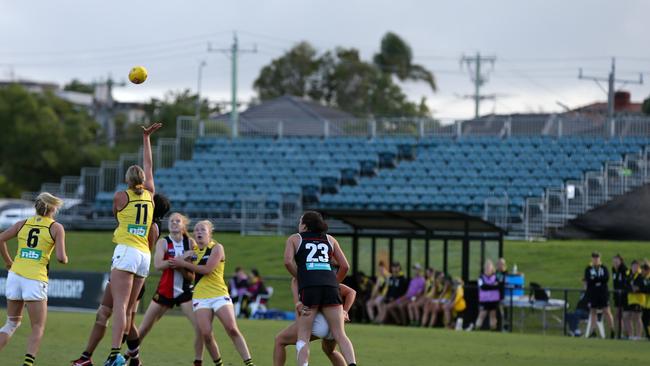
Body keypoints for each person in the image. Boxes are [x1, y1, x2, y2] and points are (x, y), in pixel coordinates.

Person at [104, 122, 162, 366]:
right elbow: (149, 166)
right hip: (143, 255)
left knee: (119, 307)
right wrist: (146, 138)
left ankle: (114, 354)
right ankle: (130, 357)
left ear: (127, 180)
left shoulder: (120, 196)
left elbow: (117, 217)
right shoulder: (150, 192)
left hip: (127, 250)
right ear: (143, 180)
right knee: (129, 310)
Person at [169, 220, 255, 366]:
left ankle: (249, 363)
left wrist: (183, 263)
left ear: (210, 233)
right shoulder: (192, 253)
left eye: (202, 229)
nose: (198, 232)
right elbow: (188, 275)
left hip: (219, 294)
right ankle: (219, 364)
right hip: (201, 297)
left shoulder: (217, 248)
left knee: (232, 329)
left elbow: (207, 270)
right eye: (196, 230)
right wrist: (182, 262)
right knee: (206, 334)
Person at [0, 192, 69, 366]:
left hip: (15, 276)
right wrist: (65, 259)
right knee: (37, 326)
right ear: (52, 208)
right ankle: (28, 364)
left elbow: (0, 239)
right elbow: (61, 258)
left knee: (11, 323)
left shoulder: (22, 224)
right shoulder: (55, 228)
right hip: (35, 279)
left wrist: (9, 261)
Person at [283, 211, 357, 366]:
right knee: (340, 334)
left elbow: (288, 262)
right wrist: (334, 283)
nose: (298, 224)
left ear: (304, 225)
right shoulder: (330, 239)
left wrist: (302, 277)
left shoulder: (295, 238)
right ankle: (352, 364)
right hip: (330, 286)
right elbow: (345, 266)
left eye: (300, 221)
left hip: (309, 287)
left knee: (303, 336)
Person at [136, 212, 203, 364]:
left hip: (185, 292)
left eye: (177, 221)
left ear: (183, 225)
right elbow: (158, 265)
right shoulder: (163, 242)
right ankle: (128, 357)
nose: (173, 223)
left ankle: (198, 361)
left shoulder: (191, 243)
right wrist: (180, 259)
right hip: (165, 290)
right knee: (144, 329)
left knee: (201, 328)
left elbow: (191, 276)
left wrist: (181, 266)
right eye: (171, 220)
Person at [273, 278, 356, 366]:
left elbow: (299, 311)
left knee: (280, 340)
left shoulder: (306, 281)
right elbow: (351, 292)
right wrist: (345, 311)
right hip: (335, 324)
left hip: (318, 323)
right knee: (330, 351)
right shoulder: (326, 281)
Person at [583, 252, 615, 339]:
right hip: (593, 293)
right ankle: (593, 331)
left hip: (603, 293)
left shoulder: (603, 268)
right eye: (594, 258)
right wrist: (597, 280)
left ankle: (612, 330)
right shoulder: (588, 268)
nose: (595, 260)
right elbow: (588, 279)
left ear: (600, 259)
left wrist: (595, 280)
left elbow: (606, 278)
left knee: (606, 311)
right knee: (593, 311)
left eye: (597, 258)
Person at [473, 260, 500, 331]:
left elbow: (497, 286)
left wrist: (488, 286)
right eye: (487, 267)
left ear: (492, 268)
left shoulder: (495, 277)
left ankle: (493, 329)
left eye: (489, 267)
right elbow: (482, 287)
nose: (488, 269)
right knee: (482, 315)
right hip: (484, 299)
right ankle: (477, 328)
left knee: (493, 315)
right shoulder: (481, 277)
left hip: (494, 299)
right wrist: (491, 286)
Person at [625, 260, 645, 340]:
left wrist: (633, 288)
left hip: (638, 299)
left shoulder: (640, 275)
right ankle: (631, 335)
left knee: (637, 317)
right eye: (633, 266)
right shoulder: (629, 275)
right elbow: (626, 286)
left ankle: (639, 336)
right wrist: (632, 288)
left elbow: (639, 287)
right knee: (627, 316)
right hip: (630, 299)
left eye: (636, 266)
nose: (635, 268)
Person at [611, 254, 628, 338]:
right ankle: (619, 333)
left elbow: (626, 283)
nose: (615, 263)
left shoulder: (624, 270)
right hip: (617, 296)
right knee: (617, 315)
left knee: (624, 316)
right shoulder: (614, 270)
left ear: (621, 261)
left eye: (617, 261)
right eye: (614, 262)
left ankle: (626, 334)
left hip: (624, 296)